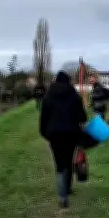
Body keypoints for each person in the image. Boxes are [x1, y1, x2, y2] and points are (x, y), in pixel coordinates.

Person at [39, 70, 88, 208]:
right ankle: (67, 188)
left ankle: (62, 196)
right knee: (68, 161)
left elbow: (44, 119)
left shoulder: (48, 98)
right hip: (71, 134)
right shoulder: (75, 97)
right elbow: (83, 117)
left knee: (59, 164)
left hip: (54, 135)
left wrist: (45, 133)